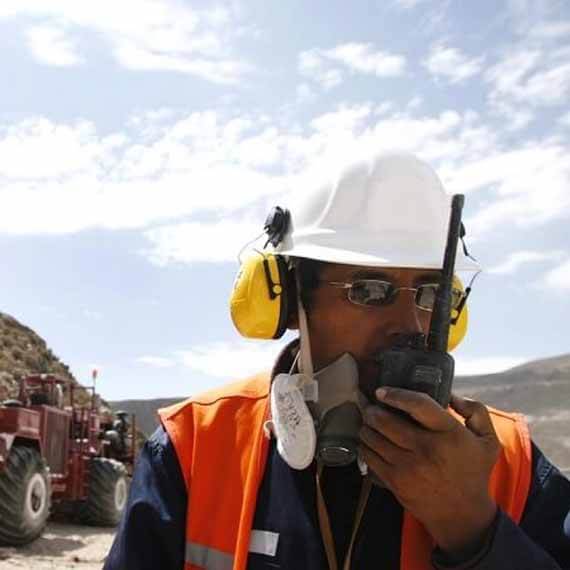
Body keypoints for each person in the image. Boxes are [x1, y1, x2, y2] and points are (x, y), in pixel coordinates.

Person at [104, 152, 570, 570]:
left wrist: (472, 527)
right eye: (369, 290)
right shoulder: (196, 448)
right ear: (290, 301)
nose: (409, 323)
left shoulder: (512, 463)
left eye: (431, 293)